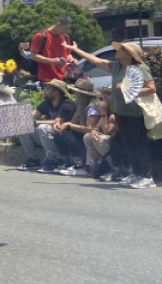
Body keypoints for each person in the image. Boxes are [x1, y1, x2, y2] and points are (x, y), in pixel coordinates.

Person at [69, 40, 156, 189]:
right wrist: (75, 49)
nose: (117, 51)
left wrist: (130, 89)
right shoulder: (116, 67)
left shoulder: (140, 68)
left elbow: (151, 88)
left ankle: (147, 177)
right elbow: (95, 60)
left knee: (139, 144)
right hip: (121, 112)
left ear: (130, 54)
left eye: (121, 50)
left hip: (136, 112)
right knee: (128, 143)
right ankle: (135, 173)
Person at [16, 80, 75, 172]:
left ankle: (53, 160)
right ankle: (33, 159)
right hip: (48, 136)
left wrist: (36, 122)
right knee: (23, 127)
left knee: (42, 127)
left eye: (47, 89)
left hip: (62, 137)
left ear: (56, 92)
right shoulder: (47, 103)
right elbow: (32, 115)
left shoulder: (66, 104)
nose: (44, 91)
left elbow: (57, 122)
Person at [52, 77, 96, 176]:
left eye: (77, 91)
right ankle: (67, 162)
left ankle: (81, 165)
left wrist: (69, 124)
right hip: (81, 132)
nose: (74, 93)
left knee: (69, 131)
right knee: (61, 131)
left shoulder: (92, 107)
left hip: (91, 135)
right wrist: (63, 125)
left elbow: (90, 128)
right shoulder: (80, 105)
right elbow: (73, 121)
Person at [29, 15, 76, 83]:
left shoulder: (66, 37)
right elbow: (33, 56)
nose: (66, 31)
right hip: (47, 79)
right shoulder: (41, 36)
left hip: (64, 78)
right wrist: (52, 61)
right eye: (65, 28)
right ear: (58, 24)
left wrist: (71, 59)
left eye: (68, 29)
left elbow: (68, 54)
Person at [83, 87, 117, 181]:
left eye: (109, 94)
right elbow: (96, 128)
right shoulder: (107, 108)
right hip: (111, 141)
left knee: (99, 139)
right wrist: (94, 131)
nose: (105, 96)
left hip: (119, 142)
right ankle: (99, 165)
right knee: (88, 137)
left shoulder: (116, 110)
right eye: (104, 93)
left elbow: (107, 130)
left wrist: (103, 112)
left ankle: (115, 168)